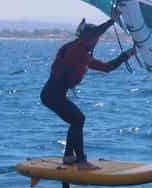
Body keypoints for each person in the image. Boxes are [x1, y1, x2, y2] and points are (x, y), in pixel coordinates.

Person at [41, 12, 136, 170]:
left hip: (53, 95)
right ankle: (81, 162)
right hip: (52, 94)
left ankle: (69, 156)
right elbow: (91, 34)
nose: (96, 42)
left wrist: (127, 54)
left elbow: (106, 68)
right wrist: (111, 21)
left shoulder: (82, 54)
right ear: (88, 37)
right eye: (95, 38)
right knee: (78, 119)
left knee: (76, 120)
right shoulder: (76, 49)